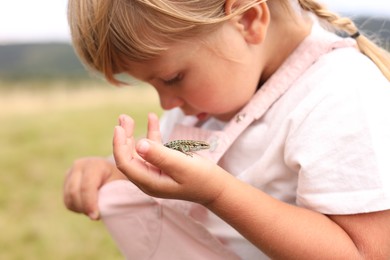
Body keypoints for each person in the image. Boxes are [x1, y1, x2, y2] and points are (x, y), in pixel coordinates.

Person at [64, 0, 390, 259]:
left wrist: (217, 193)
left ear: (247, 21)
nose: (166, 103)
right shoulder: (208, 106)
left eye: (172, 78)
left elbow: (367, 253)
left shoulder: (340, 92)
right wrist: (109, 171)